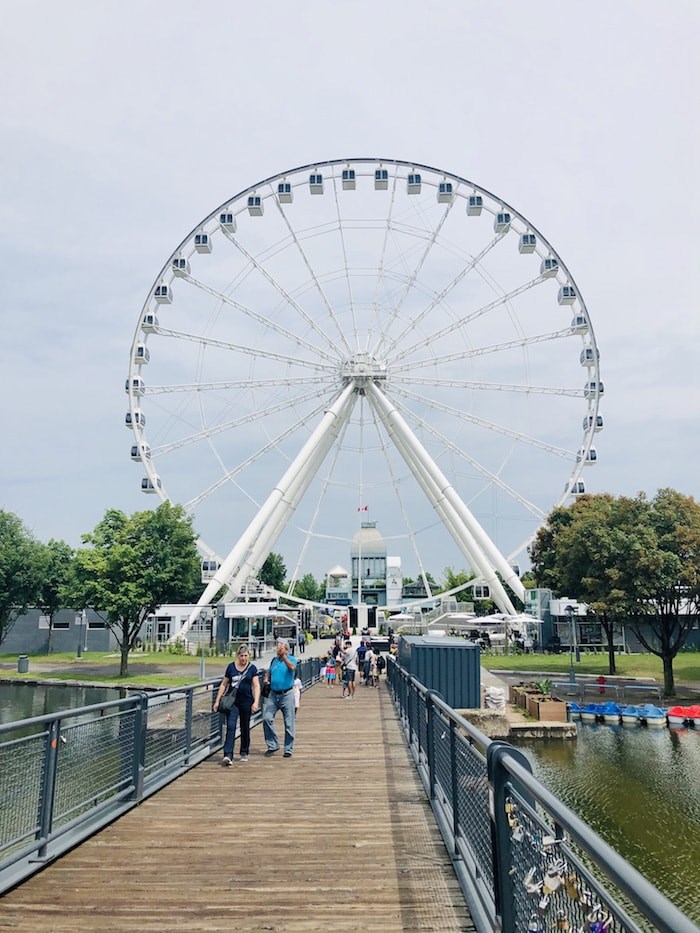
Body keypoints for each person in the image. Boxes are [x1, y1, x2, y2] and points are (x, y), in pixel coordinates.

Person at [213, 644, 260, 765]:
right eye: (241, 656)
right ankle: (228, 754)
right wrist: (217, 700)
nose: (243, 658)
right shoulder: (231, 667)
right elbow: (224, 684)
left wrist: (256, 701)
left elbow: (256, 685)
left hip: (246, 701)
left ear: (248, 656)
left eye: (245, 656)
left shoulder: (252, 668)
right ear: (238, 656)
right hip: (232, 701)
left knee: (245, 727)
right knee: (231, 726)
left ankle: (244, 751)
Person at [262, 638, 297, 758]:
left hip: (286, 694)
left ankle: (288, 748)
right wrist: (267, 678)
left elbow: (292, 668)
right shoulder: (274, 661)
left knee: (289, 722)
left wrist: (284, 657)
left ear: (286, 649)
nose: (278, 649)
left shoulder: (291, 659)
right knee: (267, 718)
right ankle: (273, 744)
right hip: (273, 693)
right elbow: (269, 672)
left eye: (280, 647)